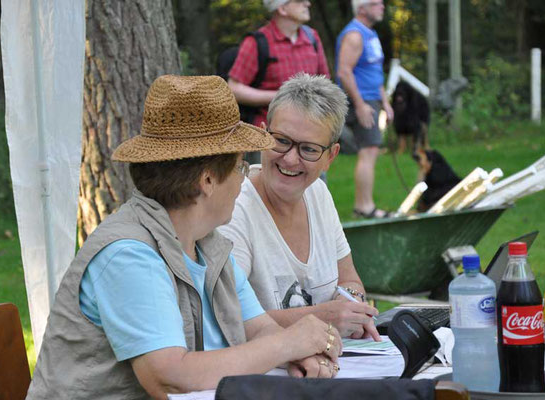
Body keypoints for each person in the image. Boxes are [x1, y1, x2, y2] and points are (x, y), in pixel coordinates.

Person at [26, 75, 343, 400]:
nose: (243, 180)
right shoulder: (129, 255)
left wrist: (302, 353)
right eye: (238, 168)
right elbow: (169, 376)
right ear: (207, 180)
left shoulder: (207, 245)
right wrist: (289, 343)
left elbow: (258, 327)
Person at [219, 73, 380, 341]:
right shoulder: (234, 209)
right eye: (281, 140)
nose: (290, 159)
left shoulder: (318, 193)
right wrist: (324, 317)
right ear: (262, 134)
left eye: (308, 149)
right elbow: (229, 318)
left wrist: (351, 306)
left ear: (331, 156)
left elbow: (349, 279)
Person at [227, 0, 329, 135]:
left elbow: (325, 81)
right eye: (299, 1)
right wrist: (281, 96)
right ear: (282, 9)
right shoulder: (257, 42)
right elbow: (234, 88)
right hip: (268, 133)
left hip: (308, 130)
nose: (307, 3)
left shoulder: (312, 37)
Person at [335, 0, 394, 219]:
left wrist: (385, 103)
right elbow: (344, 72)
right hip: (361, 101)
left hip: (372, 99)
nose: (382, 6)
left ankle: (365, 205)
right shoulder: (354, 36)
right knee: (368, 151)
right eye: (376, 3)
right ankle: (364, 207)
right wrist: (360, 105)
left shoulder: (370, 34)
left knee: (372, 151)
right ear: (362, 8)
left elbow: (374, 72)